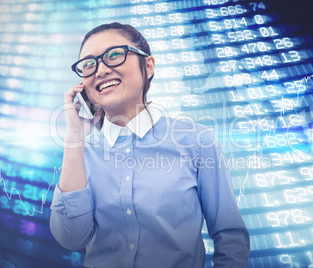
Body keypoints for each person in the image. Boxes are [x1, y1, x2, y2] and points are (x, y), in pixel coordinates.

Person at [50, 22, 250, 268]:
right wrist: (74, 137)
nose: (100, 70)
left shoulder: (197, 141)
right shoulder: (80, 153)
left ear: (148, 65)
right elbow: (71, 238)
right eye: (89, 64)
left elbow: (230, 236)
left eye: (114, 55)